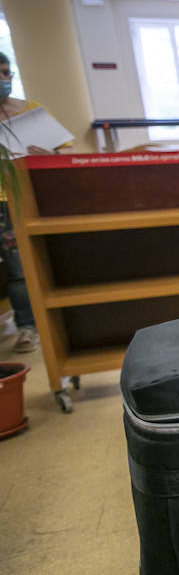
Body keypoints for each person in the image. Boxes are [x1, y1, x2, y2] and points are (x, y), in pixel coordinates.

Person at [1, 50, 59, 354]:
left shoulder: (30, 111)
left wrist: (48, 157)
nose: (3, 79)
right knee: (14, 270)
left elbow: (62, 155)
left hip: (25, 199)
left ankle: (33, 327)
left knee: (24, 268)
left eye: (6, 72)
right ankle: (23, 324)